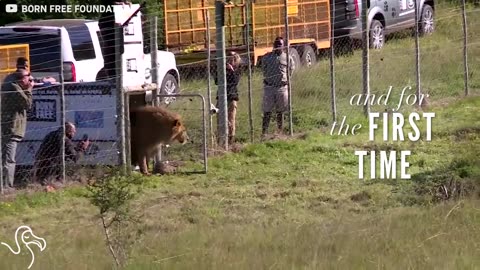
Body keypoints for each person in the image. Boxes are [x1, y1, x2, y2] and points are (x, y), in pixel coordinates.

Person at [1, 69, 34, 192]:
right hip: (11, 129)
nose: (30, 79)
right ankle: (6, 187)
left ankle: (5, 185)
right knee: (9, 159)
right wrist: (29, 89)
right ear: (21, 79)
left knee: (7, 158)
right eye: (28, 77)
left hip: (12, 129)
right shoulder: (14, 88)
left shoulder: (16, 86)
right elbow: (27, 103)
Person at [32, 122, 90, 187]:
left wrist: (76, 148)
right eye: (73, 132)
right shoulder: (64, 139)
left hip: (40, 165)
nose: (74, 133)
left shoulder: (52, 134)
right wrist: (82, 148)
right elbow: (75, 158)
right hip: (51, 169)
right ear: (68, 131)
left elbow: (68, 149)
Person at [261, 37, 293, 137]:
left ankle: (279, 132)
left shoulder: (288, 58)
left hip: (282, 88)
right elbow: (264, 69)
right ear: (273, 46)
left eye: (280, 45)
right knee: (267, 111)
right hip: (269, 88)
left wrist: (285, 79)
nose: (278, 46)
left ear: (283, 46)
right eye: (276, 45)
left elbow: (291, 70)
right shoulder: (267, 57)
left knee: (280, 111)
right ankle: (264, 133)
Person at [97, 0, 131, 80]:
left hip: (117, 24)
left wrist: (125, 3)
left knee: (119, 51)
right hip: (108, 24)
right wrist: (115, 4)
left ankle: (117, 79)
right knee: (111, 52)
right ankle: (112, 78)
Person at [215, 51, 242, 145]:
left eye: (232, 59)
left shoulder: (237, 70)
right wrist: (221, 70)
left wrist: (231, 70)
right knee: (220, 120)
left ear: (235, 60)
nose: (229, 61)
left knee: (230, 121)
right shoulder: (222, 69)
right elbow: (216, 81)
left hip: (231, 97)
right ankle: (220, 141)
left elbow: (235, 81)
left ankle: (230, 141)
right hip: (221, 97)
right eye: (228, 59)